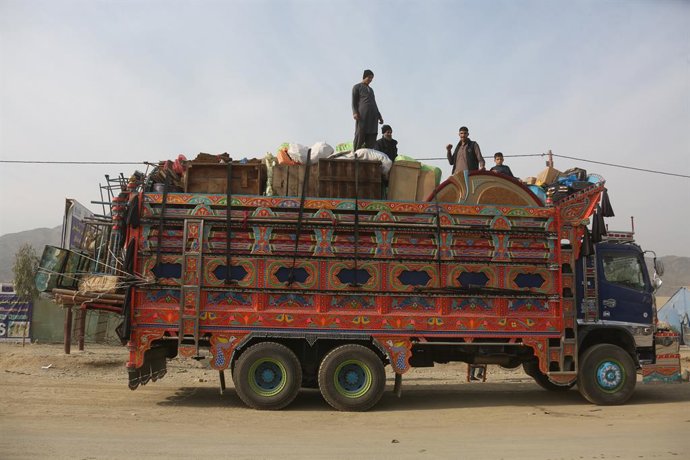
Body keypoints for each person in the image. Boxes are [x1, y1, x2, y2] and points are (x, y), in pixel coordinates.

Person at [352, 69, 383, 150]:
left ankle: (369, 153)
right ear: (364, 77)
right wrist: (355, 112)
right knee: (360, 133)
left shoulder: (371, 90)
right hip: (363, 115)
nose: (370, 80)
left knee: (372, 134)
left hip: (373, 116)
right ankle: (356, 152)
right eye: (369, 77)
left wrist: (379, 116)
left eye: (372, 78)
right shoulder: (357, 87)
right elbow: (354, 102)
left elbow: (374, 103)